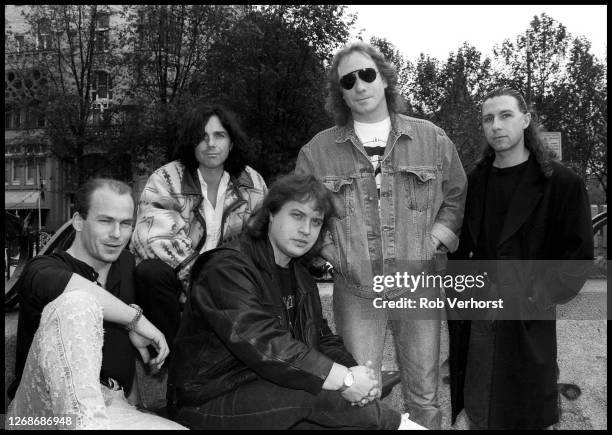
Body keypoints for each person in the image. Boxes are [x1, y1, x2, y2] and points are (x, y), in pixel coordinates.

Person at [295, 41, 467, 429]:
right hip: (357, 292)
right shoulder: (317, 152)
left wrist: (432, 240)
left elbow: (455, 195)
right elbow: (302, 209)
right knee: (361, 392)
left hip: (418, 283)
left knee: (424, 393)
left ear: (385, 79)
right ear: (340, 92)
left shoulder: (432, 139)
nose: (360, 85)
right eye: (348, 80)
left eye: (367, 74)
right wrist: (331, 252)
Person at [166, 174, 426, 430]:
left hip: (268, 390)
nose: (306, 230)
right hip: (206, 397)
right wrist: (345, 380)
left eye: (315, 222)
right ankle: (402, 426)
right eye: (297, 216)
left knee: (344, 416)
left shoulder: (300, 275)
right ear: (271, 214)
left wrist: (357, 374)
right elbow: (263, 343)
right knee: (323, 394)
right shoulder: (227, 268)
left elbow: (322, 339)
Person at [447, 87, 594, 429]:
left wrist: (534, 294)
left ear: (526, 120)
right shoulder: (474, 182)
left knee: (527, 414)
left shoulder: (561, 183)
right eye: (488, 119)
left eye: (505, 115)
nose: (496, 125)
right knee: (481, 412)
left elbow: (577, 257)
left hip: (528, 321)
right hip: (479, 320)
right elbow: (462, 252)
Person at [7, 178, 186, 430]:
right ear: (79, 221)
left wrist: (138, 404)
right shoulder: (44, 268)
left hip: (112, 408)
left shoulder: (124, 264)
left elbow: (121, 360)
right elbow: (62, 288)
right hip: (39, 415)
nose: (116, 234)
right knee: (79, 302)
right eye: (105, 221)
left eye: (125, 224)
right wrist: (135, 319)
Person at [130, 104, 267, 351]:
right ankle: (175, 357)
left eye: (219, 135)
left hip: (233, 289)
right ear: (191, 143)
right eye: (202, 137)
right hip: (183, 290)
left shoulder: (253, 184)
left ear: (232, 142)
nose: (211, 144)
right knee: (150, 272)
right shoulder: (166, 178)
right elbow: (154, 240)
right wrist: (206, 283)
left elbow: (263, 239)